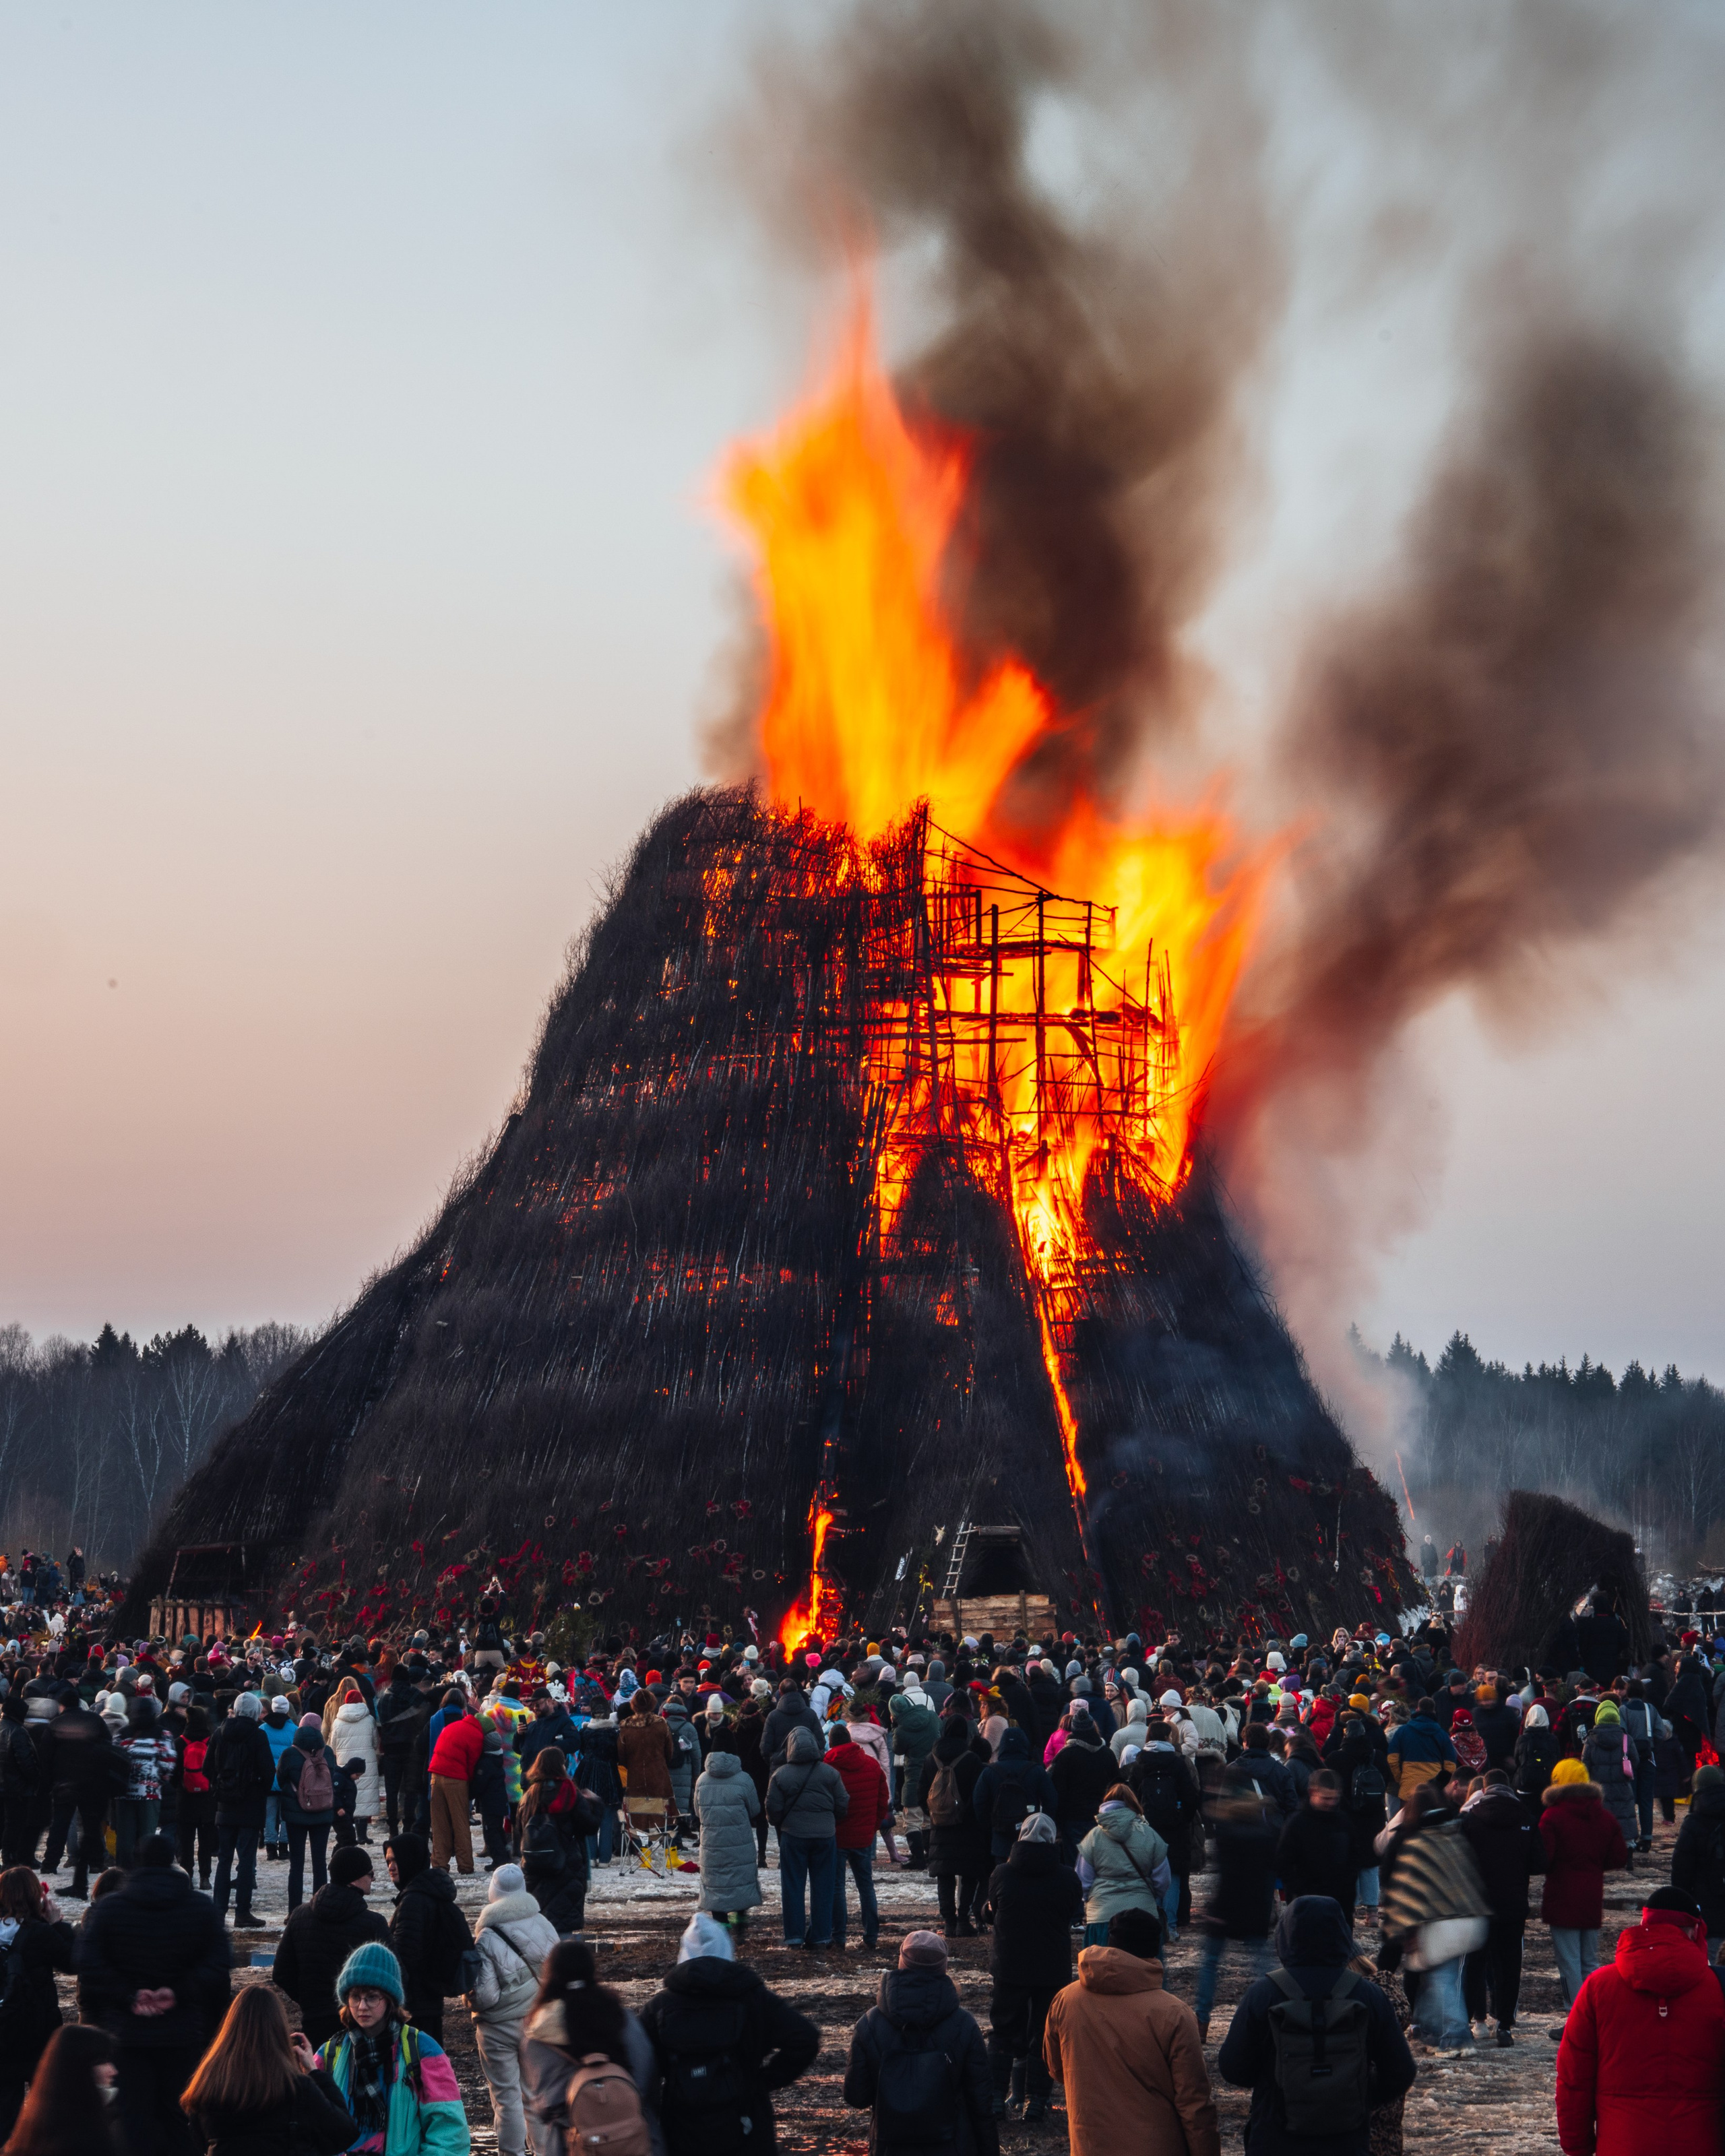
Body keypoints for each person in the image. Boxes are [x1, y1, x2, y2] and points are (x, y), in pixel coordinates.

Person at [1218, 1897, 1414, 2156]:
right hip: (1347, 2140)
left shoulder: (1264, 1994)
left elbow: (1233, 2069)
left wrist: (1280, 2084)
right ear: (1343, 1936)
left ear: (1285, 1938)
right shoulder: (1368, 1995)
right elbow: (1401, 2071)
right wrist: (1358, 2094)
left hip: (1275, 2139)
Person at [75, 1831, 231, 2156]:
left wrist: (129, 1995)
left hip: (127, 2033)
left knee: (134, 2118)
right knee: (180, 2116)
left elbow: (88, 1963)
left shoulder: (111, 1908)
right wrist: (176, 1993)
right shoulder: (200, 1907)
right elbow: (219, 1963)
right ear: (174, 1861)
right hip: (183, 2031)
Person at [1555, 1887, 1725, 2156]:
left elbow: (1574, 2080)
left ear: (1644, 1924)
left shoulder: (1598, 1987)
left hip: (1622, 2145)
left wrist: (1578, 2147)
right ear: (1694, 1931)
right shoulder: (1719, 1988)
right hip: (1703, 2143)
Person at [640, 1909, 819, 2156]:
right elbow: (805, 2037)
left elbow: (636, 2058)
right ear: (727, 1951)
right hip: (747, 2127)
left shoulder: (660, 2007)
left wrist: (658, 2093)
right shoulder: (753, 1998)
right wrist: (763, 2081)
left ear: (684, 1954)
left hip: (682, 2129)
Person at [1042, 1906, 1218, 2156]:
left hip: (1089, 2146)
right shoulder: (1174, 2013)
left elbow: (1057, 2069)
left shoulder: (1066, 2000)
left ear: (1110, 1943)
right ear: (1155, 1949)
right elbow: (1195, 2105)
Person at [843, 1929, 997, 2156]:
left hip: (890, 2148)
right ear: (944, 1967)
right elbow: (982, 2104)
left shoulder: (870, 2023)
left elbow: (856, 2097)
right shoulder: (964, 2024)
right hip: (952, 2147)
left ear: (901, 1962)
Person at [314, 1942, 470, 2153]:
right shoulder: (329, 2054)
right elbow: (310, 2130)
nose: (362, 2006)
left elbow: (450, 2135)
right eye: (355, 1997)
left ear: (389, 2000)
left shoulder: (423, 2051)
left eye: (371, 1997)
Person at [1377, 1783, 1490, 2057]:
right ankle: (1431, 2033)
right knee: (1436, 1979)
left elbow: (1406, 1889)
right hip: (1470, 1917)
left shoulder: (1416, 1843)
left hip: (1440, 1923)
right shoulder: (1454, 1835)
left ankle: (1456, 2038)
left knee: (1441, 1980)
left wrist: (1398, 1929)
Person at [522, 1936, 661, 2156]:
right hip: (634, 2140)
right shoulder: (619, 2016)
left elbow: (544, 2104)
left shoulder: (537, 2032)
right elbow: (646, 2074)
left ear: (551, 1975)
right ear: (591, 1970)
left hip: (571, 2145)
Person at [179, 1984, 356, 2156]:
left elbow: (199, 2139)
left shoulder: (206, 2088)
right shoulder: (298, 2089)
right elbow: (344, 2134)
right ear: (279, 2033)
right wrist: (314, 2072)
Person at [985, 1813, 1082, 2123]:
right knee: (1043, 2035)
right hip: (1050, 1968)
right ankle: (1037, 2101)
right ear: (1052, 1839)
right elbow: (1074, 1914)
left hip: (1009, 1965)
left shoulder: (1002, 1874)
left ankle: (995, 2099)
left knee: (1002, 2031)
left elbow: (993, 1911)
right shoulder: (1067, 1877)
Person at [468, 1863, 559, 2156]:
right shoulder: (545, 1925)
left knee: (507, 2098)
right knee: (534, 2096)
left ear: (494, 1892)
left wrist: (466, 1998)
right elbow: (558, 1977)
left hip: (498, 2030)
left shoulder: (487, 1936)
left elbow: (485, 1997)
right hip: (538, 2023)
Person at [272, 1844, 391, 2052]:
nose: (373, 1879)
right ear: (355, 1878)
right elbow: (394, 1975)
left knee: (318, 2076)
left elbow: (281, 1973)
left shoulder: (299, 1916)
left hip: (314, 2023)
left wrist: (310, 2000)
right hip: (359, 2024)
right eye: (370, 1874)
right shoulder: (373, 1923)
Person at [1541, 1756, 1629, 2031]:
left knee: (1569, 1964)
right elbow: (1618, 1857)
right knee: (1590, 1962)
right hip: (1591, 1895)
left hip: (1562, 1896)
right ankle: (1595, 2017)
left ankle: (1576, 2021)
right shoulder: (1603, 1816)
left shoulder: (1552, 1816)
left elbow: (1544, 1858)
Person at [1458, 1769, 1543, 2046]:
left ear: (1484, 1789)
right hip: (1513, 1904)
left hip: (1479, 1904)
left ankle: (1479, 2022)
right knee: (1509, 1965)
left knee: (1475, 1964)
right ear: (1510, 1788)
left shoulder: (1471, 1820)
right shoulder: (1528, 1819)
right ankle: (1504, 2024)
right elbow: (1540, 1864)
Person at [1193, 1786, 1280, 2043]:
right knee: (1263, 1966)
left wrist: (1217, 1911)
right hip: (1255, 1909)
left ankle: (1202, 2021)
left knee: (1210, 1964)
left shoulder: (1227, 1835)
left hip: (1226, 1909)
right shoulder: (1267, 1835)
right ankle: (1279, 2008)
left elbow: (1227, 1878)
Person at [0, 1869, 73, 2137]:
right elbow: (74, 1961)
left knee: (5, 2112)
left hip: (3, 2033)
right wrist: (58, 1924)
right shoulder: (40, 1933)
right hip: (37, 2031)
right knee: (49, 2108)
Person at [385, 1833, 474, 2047]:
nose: (391, 1867)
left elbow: (405, 1958)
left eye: (396, 1860)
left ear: (410, 1859)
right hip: (429, 2001)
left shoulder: (414, 1900)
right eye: (388, 1861)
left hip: (414, 2006)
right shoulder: (430, 1893)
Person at [765, 1726, 848, 1950]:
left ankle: (794, 1936)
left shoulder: (781, 1775)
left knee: (793, 1887)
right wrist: (830, 1820)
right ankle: (821, 1936)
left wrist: (781, 1823)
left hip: (794, 1836)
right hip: (825, 1836)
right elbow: (843, 1803)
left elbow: (772, 1808)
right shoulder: (830, 1773)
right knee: (823, 1887)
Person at [918, 1708, 991, 1940]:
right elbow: (980, 1795)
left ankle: (949, 1921)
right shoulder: (971, 1760)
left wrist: (934, 1813)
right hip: (967, 1827)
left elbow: (921, 1793)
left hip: (939, 1826)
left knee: (945, 1875)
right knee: (968, 1874)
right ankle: (963, 1921)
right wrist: (967, 1815)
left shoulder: (931, 1759)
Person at [206, 1692, 275, 1927]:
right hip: (251, 1805)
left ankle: (218, 1910)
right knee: (246, 1860)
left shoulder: (219, 1733)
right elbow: (268, 1771)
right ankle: (242, 1912)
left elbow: (207, 1768)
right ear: (256, 1712)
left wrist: (219, 1787)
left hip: (225, 1804)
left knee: (224, 1859)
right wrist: (257, 1791)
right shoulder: (258, 1736)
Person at [0, 2023, 120, 2156]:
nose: (113, 2071)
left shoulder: (34, 2127)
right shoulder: (82, 2139)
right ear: (79, 2070)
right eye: (102, 2062)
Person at [824, 1723, 890, 1952]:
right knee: (866, 1886)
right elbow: (884, 1799)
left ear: (831, 1744)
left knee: (836, 1888)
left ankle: (838, 1937)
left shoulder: (828, 1768)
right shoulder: (872, 1766)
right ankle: (871, 1936)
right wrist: (872, 1826)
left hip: (837, 1836)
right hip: (864, 1835)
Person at [516, 1750, 594, 1937]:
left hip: (534, 1868)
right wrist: (595, 1804)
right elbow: (588, 1826)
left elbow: (519, 1832)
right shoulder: (570, 1793)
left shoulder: (529, 1796)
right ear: (562, 1765)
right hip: (566, 1868)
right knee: (563, 1930)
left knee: (537, 1926)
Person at [693, 1745, 762, 1938]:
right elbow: (755, 1809)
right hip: (740, 1840)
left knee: (715, 1886)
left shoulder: (702, 1780)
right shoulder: (744, 1779)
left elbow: (698, 1812)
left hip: (711, 1842)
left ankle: (722, 1929)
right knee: (741, 1883)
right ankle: (740, 1925)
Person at [971, 1727, 1059, 1866]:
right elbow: (1051, 1800)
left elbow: (978, 1802)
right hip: (1031, 1835)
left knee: (1003, 1875)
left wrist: (990, 1825)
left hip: (1000, 1836)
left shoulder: (990, 1772)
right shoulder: (1035, 1770)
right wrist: (1043, 1826)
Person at [1275, 1772, 1357, 1919]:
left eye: (1335, 1798)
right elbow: (1284, 1862)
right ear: (1312, 1792)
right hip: (1306, 1903)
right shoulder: (1297, 1824)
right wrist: (1299, 1891)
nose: (1331, 1803)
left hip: (1339, 1903)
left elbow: (1353, 1859)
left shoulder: (1343, 1822)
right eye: (1326, 1798)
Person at [277, 1714, 338, 1913]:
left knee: (297, 1864)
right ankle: (319, 1908)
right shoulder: (327, 1752)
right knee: (320, 1862)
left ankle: (294, 1911)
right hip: (323, 1812)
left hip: (296, 1815)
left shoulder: (289, 1754)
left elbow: (280, 1779)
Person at [424, 1696, 481, 1878]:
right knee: (460, 1822)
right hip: (455, 1779)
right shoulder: (477, 1735)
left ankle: (439, 1863)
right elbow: (472, 1764)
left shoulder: (453, 1727)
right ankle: (465, 1865)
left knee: (439, 1823)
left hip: (434, 1776)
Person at [1670, 1761, 1725, 1941]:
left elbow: (1681, 1871)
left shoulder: (1693, 1823)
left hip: (1706, 1912)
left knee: (1712, 1966)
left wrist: (1683, 1908)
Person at [1582, 1704, 1640, 1867]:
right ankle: (1628, 1855)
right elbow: (1635, 1761)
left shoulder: (1591, 1739)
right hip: (1622, 1788)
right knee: (1625, 1820)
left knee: (1600, 1821)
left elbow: (1584, 1765)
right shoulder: (1626, 1739)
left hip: (1599, 1790)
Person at [330, 1685, 381, 1847]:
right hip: (365, 1762)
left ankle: (348, 1830)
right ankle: (362, 1834)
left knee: (346, 1795)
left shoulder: (338, 1721)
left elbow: (333, 1745)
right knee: (364, 1797)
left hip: (345, 1762)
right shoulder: (369, 1719)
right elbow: (375, 1742)